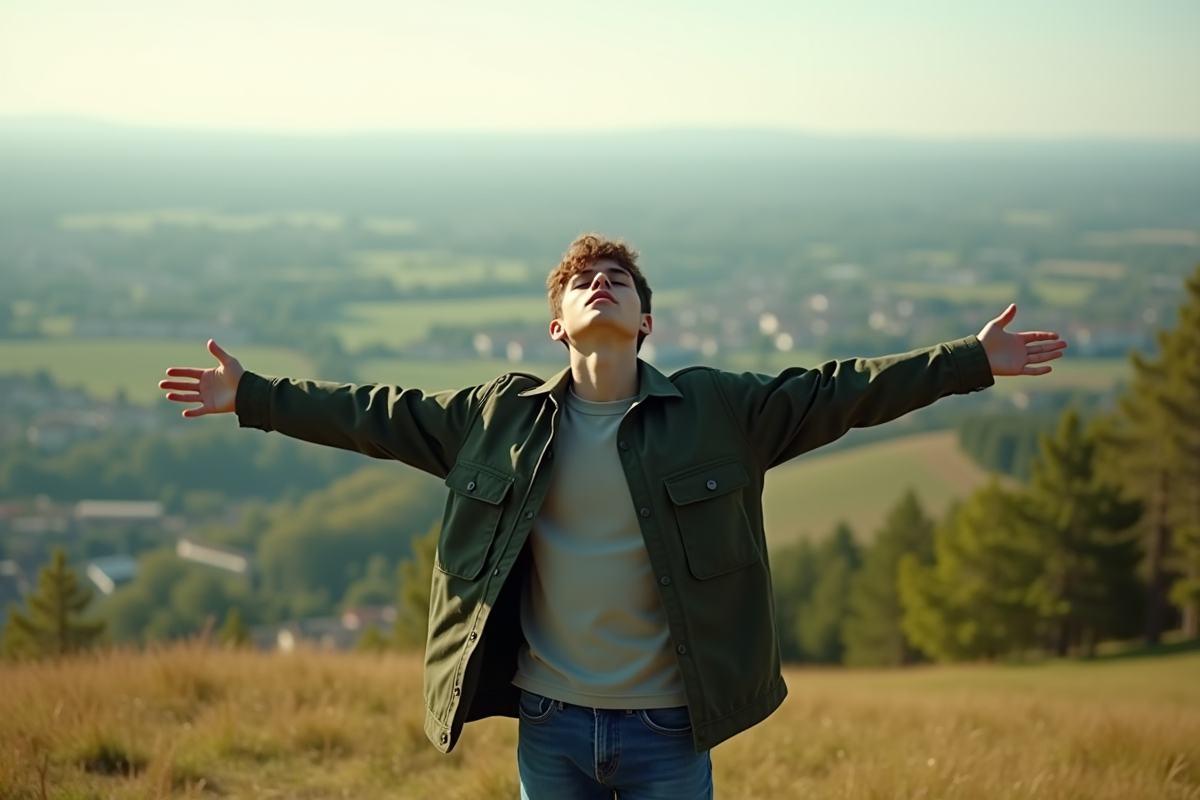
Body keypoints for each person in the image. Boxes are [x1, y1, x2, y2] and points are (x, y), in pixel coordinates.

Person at [159, 233, 1065, 799]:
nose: (601, 283)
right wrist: (253, 396)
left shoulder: (719, 412)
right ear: (557, 322)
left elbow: (840, 391)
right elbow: (374, 412)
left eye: (619, 279)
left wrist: (968, 360)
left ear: (644, 322)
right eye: (583, 279)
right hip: (551, 726)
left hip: (669, 728)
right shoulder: (496, 418)